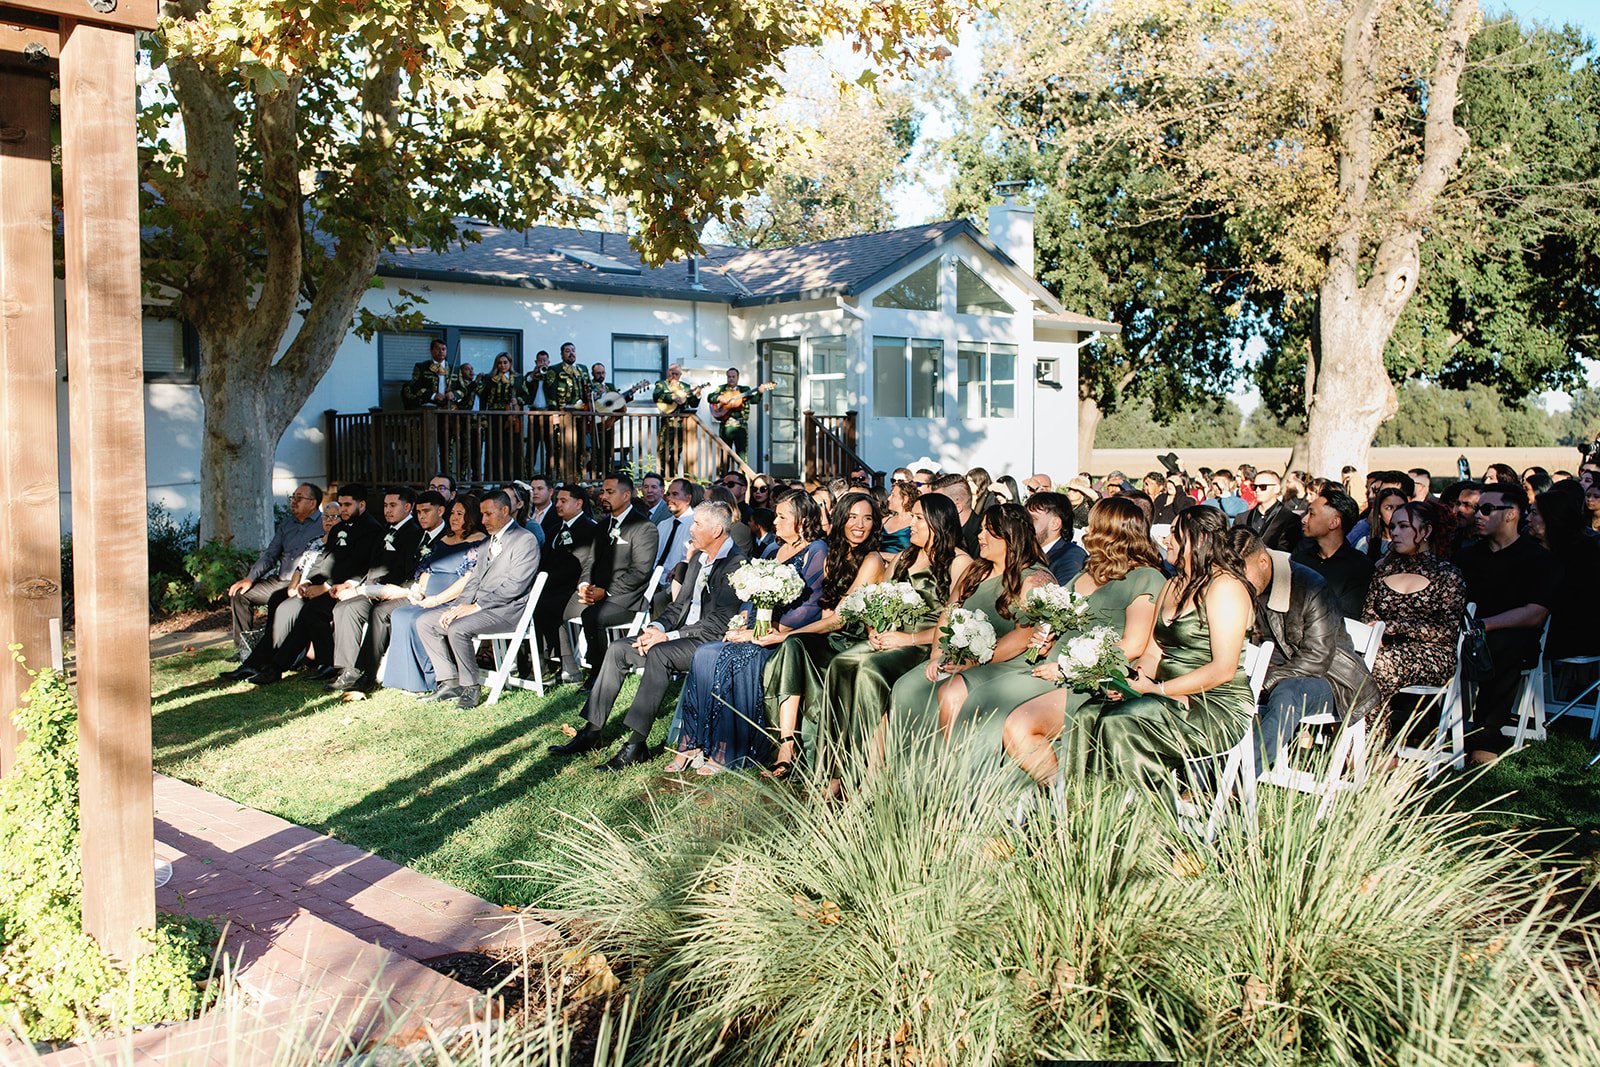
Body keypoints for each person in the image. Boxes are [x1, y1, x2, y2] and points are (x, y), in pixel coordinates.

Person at [548, 501, 746, 771]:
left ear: (717, 530)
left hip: (708, 642)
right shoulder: (699, 558)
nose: (691, 529)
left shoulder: (736, 563)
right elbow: (678, 605)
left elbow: (718, 623)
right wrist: (658, 628)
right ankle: (592, 731)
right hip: (677, 636)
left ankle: (636, 743)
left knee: (660, 653)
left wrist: (668, 637)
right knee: (618, 649)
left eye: (698, 524)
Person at [1076, 505, 1254, 795]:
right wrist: (1133, 683)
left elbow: (1223, 669)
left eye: (1174, 534)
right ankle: (1086, 815)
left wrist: (1158, 691)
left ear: (1198, 540)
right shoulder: (1172, 584)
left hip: (1213, 704)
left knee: (1121, 721)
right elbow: (1153, 652)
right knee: (1088, 713)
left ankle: (1149, 830)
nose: (1166, 540)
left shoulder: (1226, 587)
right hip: (1163, 693)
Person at [999, 497, 1166, 784]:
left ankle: (1063, 799)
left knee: (1017, 722)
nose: (1086, 531)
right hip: (1046, 667)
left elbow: (1134, 645)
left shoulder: (1146, 578)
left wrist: (1066, 667)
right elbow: (1058, 618)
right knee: (984, 700)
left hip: (1089, 681)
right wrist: (1047, 636)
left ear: (1109, 532)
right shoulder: (1086, 572)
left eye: (1093, 525)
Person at [813, 494, 973, 780]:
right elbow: (876, 599)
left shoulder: (959, 562)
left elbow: (955, 623)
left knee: (869, 671)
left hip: (923, 644)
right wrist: (875, 629)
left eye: (918, 518)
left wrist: (907, 640)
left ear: (938, 522)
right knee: (841, 663)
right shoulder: (904, 555)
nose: (909, 523)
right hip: (889, 637)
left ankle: (866, 770)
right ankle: (833, 769)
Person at [667, 493, 829, 774]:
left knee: (735, 659)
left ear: (802, 522)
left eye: (781, 517)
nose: (774, 522)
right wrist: (742, 621)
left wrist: (764, 631)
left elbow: (812, 605)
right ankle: (692, 740)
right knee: (705, 653)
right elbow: (750, 597)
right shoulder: (771, 552)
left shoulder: (817, 550)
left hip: (788, 636)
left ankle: (728, 748)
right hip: (756, 629)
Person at [889, 504, 1054, 752]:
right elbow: (949, 611)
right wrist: (937, 654)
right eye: (981, 529)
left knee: (950, 689)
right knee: (907, 687)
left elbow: (1023, 637)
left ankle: (954, 767)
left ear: (1010, 535)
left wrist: (974, 662)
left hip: (1007, 662)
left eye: (988, 530)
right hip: (962, 656)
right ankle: (910, 771)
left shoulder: (1033, 579)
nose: (979, 536)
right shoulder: (977, 570)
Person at [756, 492, 888, 780]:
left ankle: (811, 759)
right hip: (834, 635)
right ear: (841, 520)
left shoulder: (873, 560)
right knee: (795, 645)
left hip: (857, 641)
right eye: (852, 517)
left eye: (867, 518)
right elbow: (828, 616)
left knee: (791, 641)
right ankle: (786, 744)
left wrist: (782, 635)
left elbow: (840, 618)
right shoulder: (835, 555)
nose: (859, 525)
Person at [1230, 528, 1378, 769]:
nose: (1236, 581)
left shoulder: (1309, 586)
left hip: (1332, 680)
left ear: (1264, 561)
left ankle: (1235, 778)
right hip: (1271, 674)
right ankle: (1197, 773)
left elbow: (1318, 658)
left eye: (1241, 573)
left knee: (1288, 695)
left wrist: (1265, 680)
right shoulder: (1238, 590)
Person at [1453, 483, 1558, 762]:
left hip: (1511, 636)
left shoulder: (1538, 559)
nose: (1478, 515)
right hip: (1465, 633)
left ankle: (1487, 733)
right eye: (1477, 509)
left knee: (1504, 645)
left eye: (1487, 509)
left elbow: (1535, 613)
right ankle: (1427, 727)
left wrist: (1486, 625)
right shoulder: (1467, 557)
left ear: (1511, 514)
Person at [241, 485, 384, 684]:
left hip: (352, 588)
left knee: (311, 610)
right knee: (293, 606)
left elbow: (363, 565)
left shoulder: (373, 529)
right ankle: (289, 664)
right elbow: (324, 560)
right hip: (329, 585)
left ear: (361, 504)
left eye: (347, 505)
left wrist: (327, 586)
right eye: (341, 504)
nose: (342, 510)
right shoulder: (340, 527)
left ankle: (281, 666)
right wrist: (308, 582)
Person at [414, 490, 543, 708]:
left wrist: (476, 606)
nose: (483, 520)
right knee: (425, 622)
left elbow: (514, 587)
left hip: (508, 611)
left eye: (488, 514)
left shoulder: (525, 540)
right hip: (481, 609)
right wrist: (455, 607)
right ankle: (449, 681)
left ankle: (471, 687)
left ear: (504, 511)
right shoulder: (486, 543)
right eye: (482, 515)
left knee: (458, 628)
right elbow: (473, 581)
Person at [328, 488, 445, 693]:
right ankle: (348, 669)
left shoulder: (434, 536)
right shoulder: (416, 534)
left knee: (380, 613)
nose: (422, 516)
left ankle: (366, 673)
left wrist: (396, 590)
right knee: (346, 608)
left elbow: (413, 576)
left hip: (415, 595)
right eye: (420, 512)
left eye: (426, 511)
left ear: (441, 511)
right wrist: (358, 586)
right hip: (387, 590)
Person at [1361, 500, 1467, 720]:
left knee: (1376, 666)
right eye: (1393, 528)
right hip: (1385, 650)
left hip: (1433, 655)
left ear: (1426, 530)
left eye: (1404, 527)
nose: (1395, 533)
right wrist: (1376, 632)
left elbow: (1448, 630)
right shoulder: (1384, 570)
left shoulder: (1446, 574)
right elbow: (1369, 615)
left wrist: (1395, 626)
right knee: (1349, 663)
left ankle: (1374, 746)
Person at [379, 494, 490, 694]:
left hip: (452, 600)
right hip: (429, 598)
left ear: (471, 517)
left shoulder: (479, 541)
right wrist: (420, 591)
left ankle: (431, 677)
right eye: (452, 513)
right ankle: (409, 678)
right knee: (400, 614)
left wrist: (437, 600)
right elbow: (427, 569)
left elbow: (468, 579)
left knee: (417, 619)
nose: (454, 518)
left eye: (460, 514)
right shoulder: (444, 539)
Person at [218, 501, 341, 681]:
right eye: (326, 517)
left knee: (284, 612)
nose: (329, 521)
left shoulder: (339, 543)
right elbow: (300, 568)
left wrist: (307, 587)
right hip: (301, 588)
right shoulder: (314, 541)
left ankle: (260, 664)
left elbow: (327, 573)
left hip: (317, 592)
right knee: (277, 598)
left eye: (334, 517)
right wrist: (293, 586)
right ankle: (259, 662)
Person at [570, 473, 660, 686]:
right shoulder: (601, 526)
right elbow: (590, 562)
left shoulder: (644, 528)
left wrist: (607, 591)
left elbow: (640, 571)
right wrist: (584, 585)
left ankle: (599, 673)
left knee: (593, 616)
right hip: (598, 594)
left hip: (628, 598)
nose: (603, 496)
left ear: (626, 495)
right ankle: (567, 665)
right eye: (603, 491)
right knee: (561, 607)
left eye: (610, 492)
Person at [226, 482, 324, 652]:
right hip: (279, 581)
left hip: (304, 583)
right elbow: (270, 555)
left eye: (299, 498)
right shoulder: (287, 524)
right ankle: (244, 650)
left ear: (312, 503)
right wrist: (250, 578)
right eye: (293, 497)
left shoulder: (324, 523)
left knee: (278, 600)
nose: (293, 501)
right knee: (240, 595)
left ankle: (278, 650)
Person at [534, 483, 599, 680]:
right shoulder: (554, 529)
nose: (558, 505)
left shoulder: (590, 529)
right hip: (552, 586)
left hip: (575, 587)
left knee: (549, 605)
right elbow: (544, 561)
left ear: (578, 503)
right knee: (533, 603)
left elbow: (583, 564)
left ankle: (567, 665)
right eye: (557, 501)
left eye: (563, 501)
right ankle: (544, 663)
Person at [1531, 482, 1600, 662]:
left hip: (1571, 637)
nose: (1528, 519)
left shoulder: (1580, 555)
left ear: (1551, 518)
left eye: (1534, 514)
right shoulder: (1535, 549)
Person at [1290, 487, 1374, 619]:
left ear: (1334, 522)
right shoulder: (1300, 559)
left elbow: (1348, 616)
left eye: (1312, 514)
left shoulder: (1360, 566)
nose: (1304, 519)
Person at [651, 477, 697, 614]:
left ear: (688, 499)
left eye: (675, 494)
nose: (669, 498)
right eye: (668, 494)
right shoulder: (663, 525)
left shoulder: (695, 523)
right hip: (655, 581)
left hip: (678, 584)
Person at [651, 364, 705, 476]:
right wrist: (673, 397)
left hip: (681, 423)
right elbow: (656, 396)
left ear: (680, 375)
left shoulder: (685, 387)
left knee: (677, 450)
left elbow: (692, 403)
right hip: (667, 422)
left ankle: (672, 474)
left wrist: (697, 395)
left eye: (677, 374)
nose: (674, 375)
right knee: (663, 449)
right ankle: (661, 474)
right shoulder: (661, 384)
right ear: (668, 372)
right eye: (672, 372)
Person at [707, 367, 772, 460]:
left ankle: (742, 474)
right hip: (726, 427)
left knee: (742, 456)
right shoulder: (721, 388)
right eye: (729, 376)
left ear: (738, 377)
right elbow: (710, 397)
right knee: (724, 456)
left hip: (741, 427)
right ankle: (724, 474)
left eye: (733, 376)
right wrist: (719, 398)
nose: (731, 379)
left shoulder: (744, 389)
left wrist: (760, 393)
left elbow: (754, 400)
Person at [1234, 470, 1300, 553]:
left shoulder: (1291, 519)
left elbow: (1287, 551)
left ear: (1276, 489)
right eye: (1254, 486)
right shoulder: (1241, 518)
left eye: (1263, 487)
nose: (1257, 490)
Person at [932, 473, 982, 556]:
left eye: (938, 505)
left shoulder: (984, 536)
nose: (933, 510)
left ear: (957, 507)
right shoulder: (942, 532)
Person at [400, 338, 452, 409]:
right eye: (438, 349)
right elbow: (415, 386)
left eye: (443, 349)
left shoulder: (454, 369)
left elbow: (462, 389)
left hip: (449, 408)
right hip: (429, 407)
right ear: (431, 350)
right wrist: (433, 395)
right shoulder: (422, 367)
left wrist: (454, 395)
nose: (441, 351)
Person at [880, 480, 918, 555]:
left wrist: (885, 556)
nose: (888, 499)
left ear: (905, 499)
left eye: (893, 495)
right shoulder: (885, 520)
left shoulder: (915, 523)